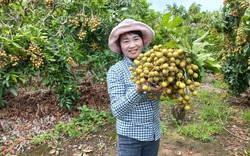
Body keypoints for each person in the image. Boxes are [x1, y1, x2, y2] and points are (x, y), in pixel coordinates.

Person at [106, 19, 165, 156]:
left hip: (154, 134)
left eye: (136, 39)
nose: (132, 45)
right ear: (120, 46)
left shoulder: (155, 66)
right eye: (126, 41)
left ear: (143, 42)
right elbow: (117, 110)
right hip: (130, 138)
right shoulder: (116, 71)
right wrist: (138, 89)